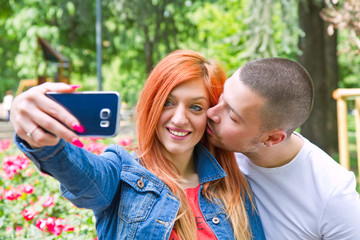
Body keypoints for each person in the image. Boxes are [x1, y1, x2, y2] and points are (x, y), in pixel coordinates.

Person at [10, 50, 265, 240]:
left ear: (210, 114)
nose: (179, 118)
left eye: (195, 107)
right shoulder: (123, 173)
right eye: (168, 102)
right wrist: (40, 137)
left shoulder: (233, 188)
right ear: (152, 104)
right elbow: (81, 174)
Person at [206, 57, 360, 239]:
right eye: (221, 98)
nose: (211, 113)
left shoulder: (332, 197)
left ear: (272, 138)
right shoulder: (207, 144)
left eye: (232, 116)